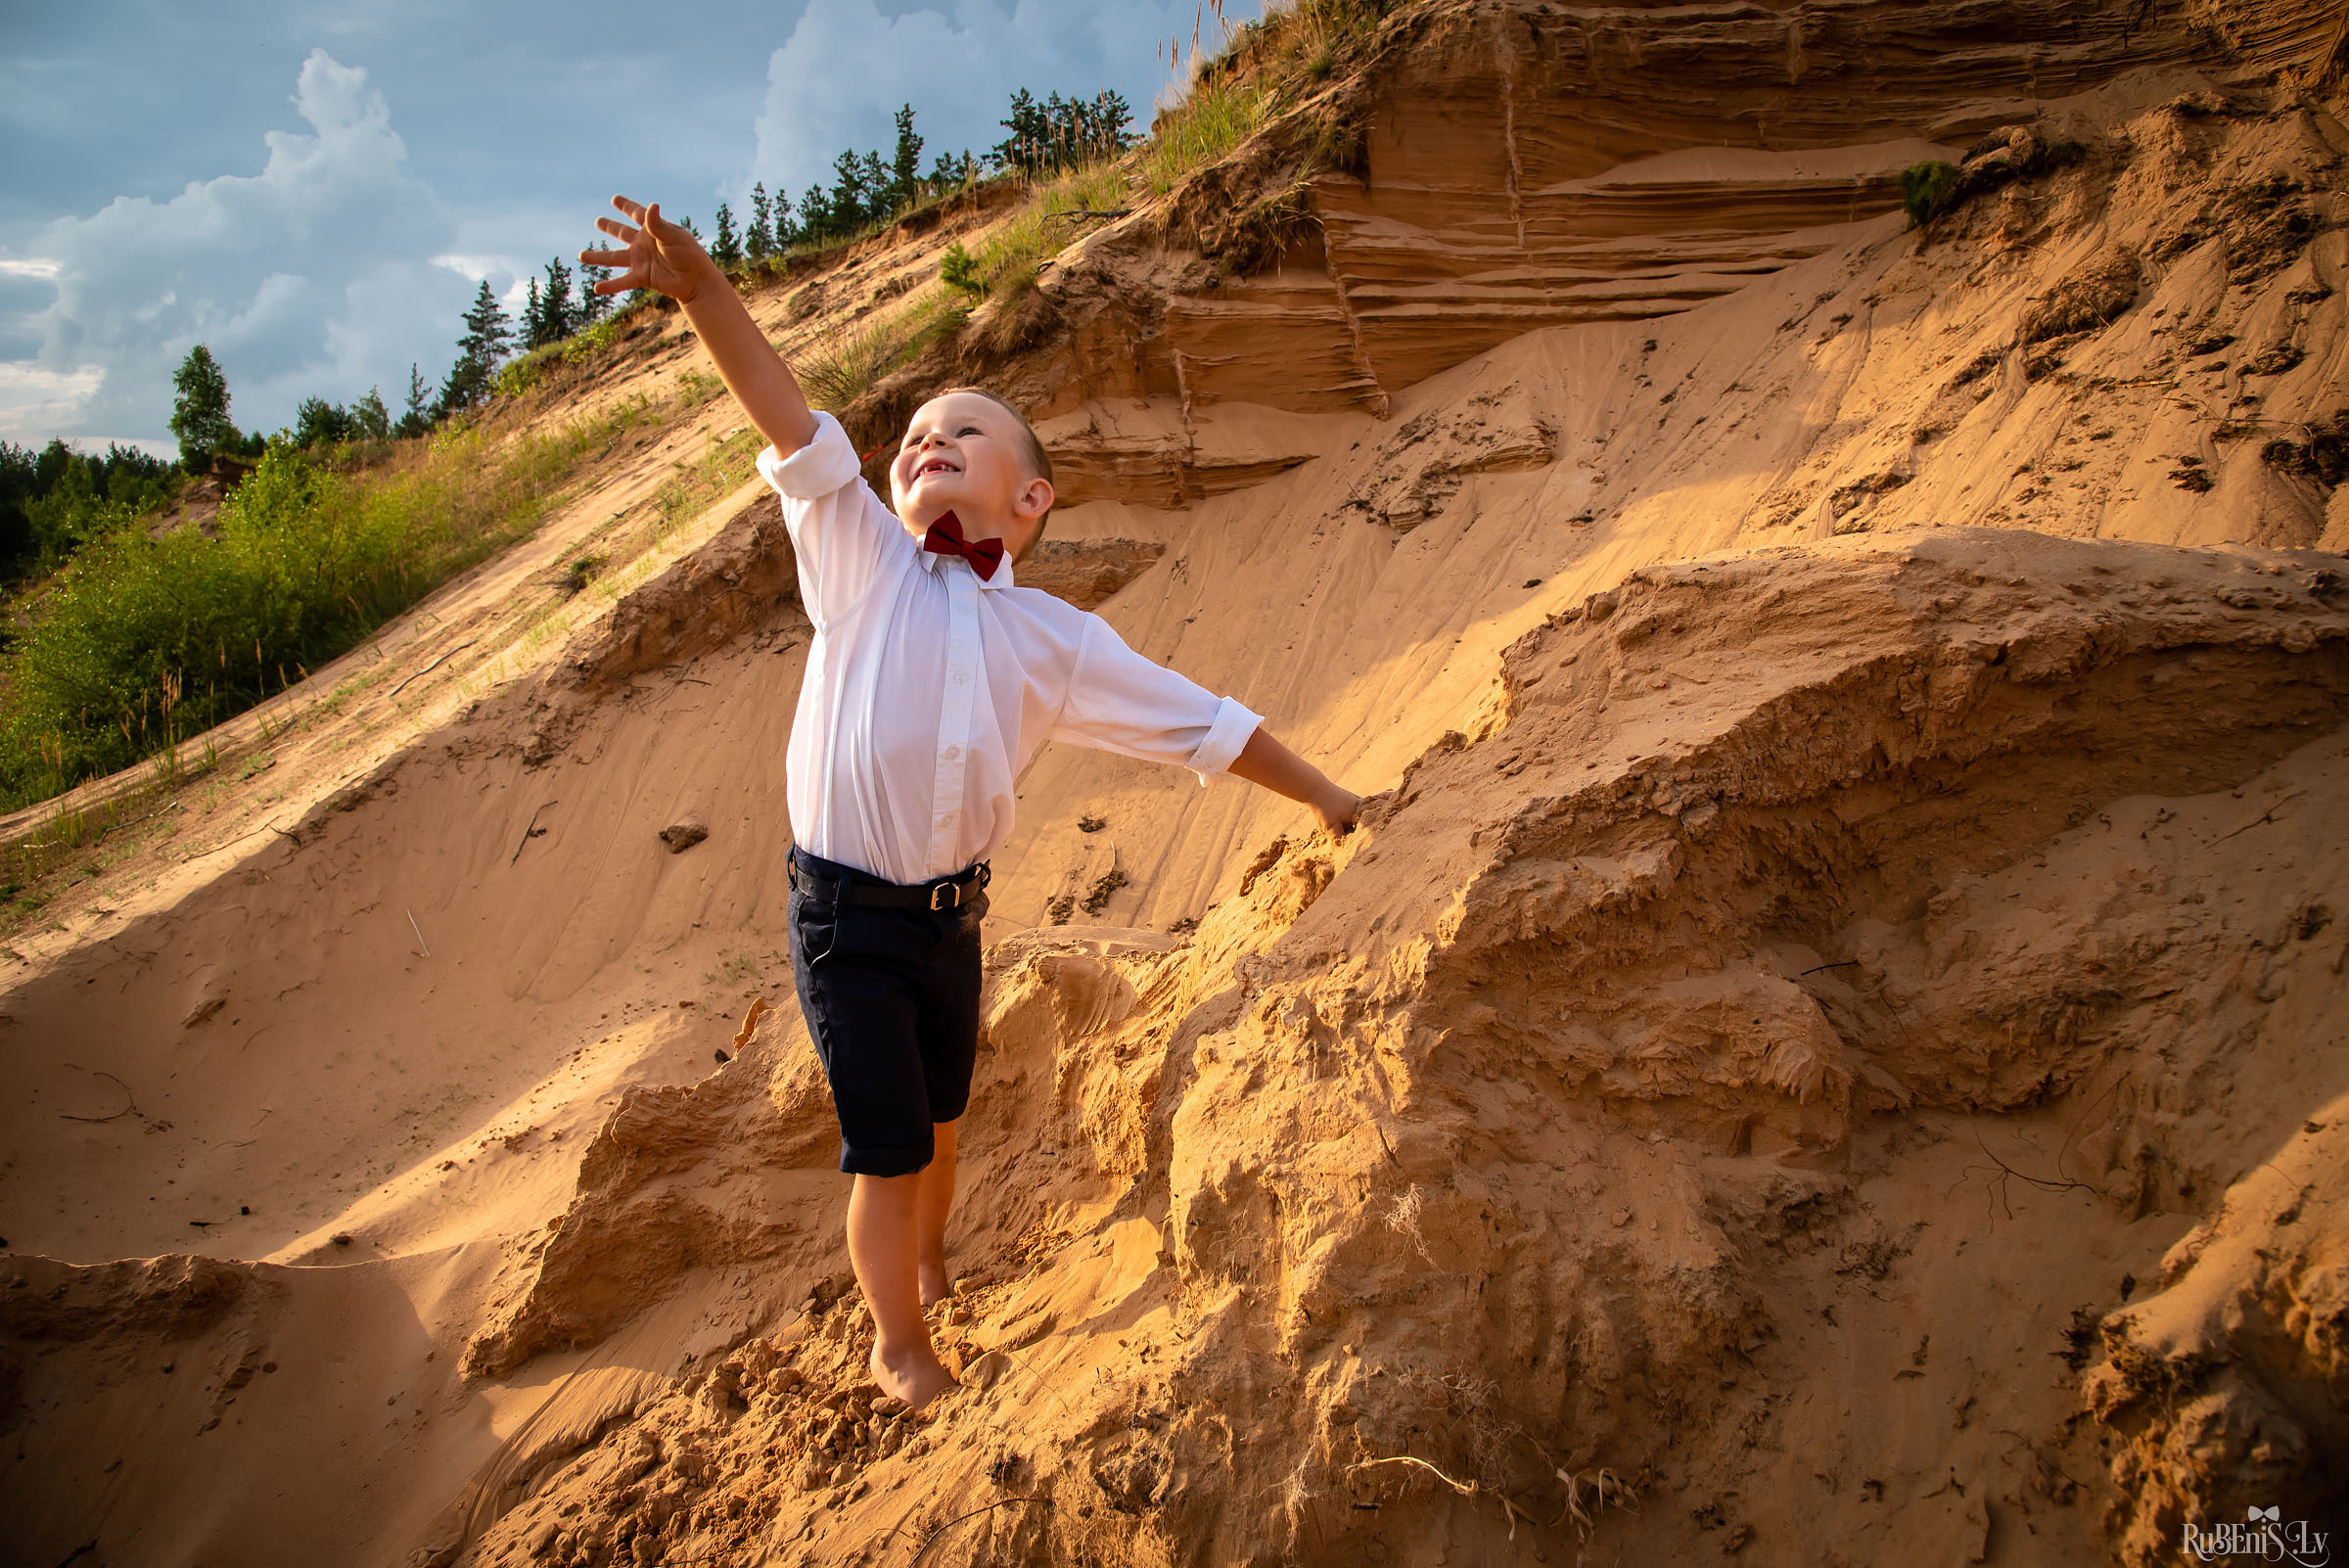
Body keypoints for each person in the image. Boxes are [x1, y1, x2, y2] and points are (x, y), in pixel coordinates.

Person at [580, 196, 1362, 1409]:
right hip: (844, 921)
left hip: (953, 924)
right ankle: (897, 1342)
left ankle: (934, 1264)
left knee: (943, 1123)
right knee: (889, 1151)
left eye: (963, 430)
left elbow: (1198, 722)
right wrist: (702, 295)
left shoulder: (1056, 637)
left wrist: (1326, 796)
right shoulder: (858, 559)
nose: (923, 439)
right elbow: (788, 414)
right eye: (913, 434)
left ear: (1032, 502)